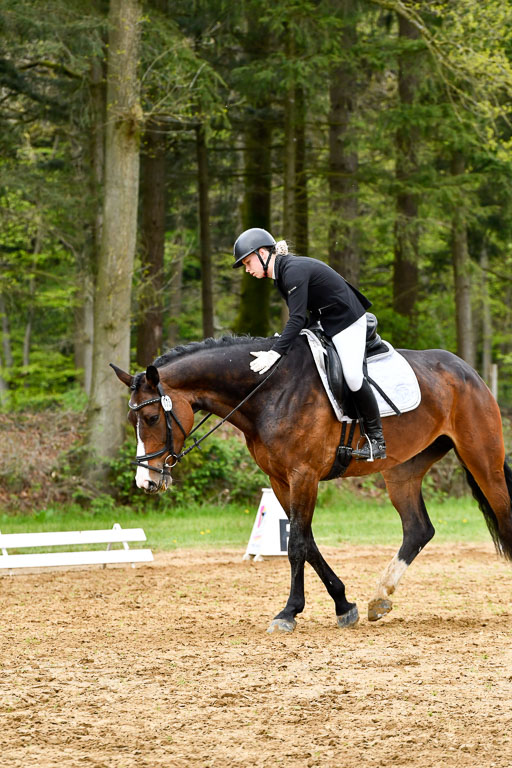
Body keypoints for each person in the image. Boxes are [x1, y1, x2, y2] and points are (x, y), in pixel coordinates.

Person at [232, 227, 386, 461]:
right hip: (324, 320)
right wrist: (281, 342)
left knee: (353, 377)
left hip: (347, 319)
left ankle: (377, 440)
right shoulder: (281, 275)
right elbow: (302, 318)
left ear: (262, 254)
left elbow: (296, 319)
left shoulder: (292, 272)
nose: (247, 269)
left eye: (248, 262)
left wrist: (275, 352)